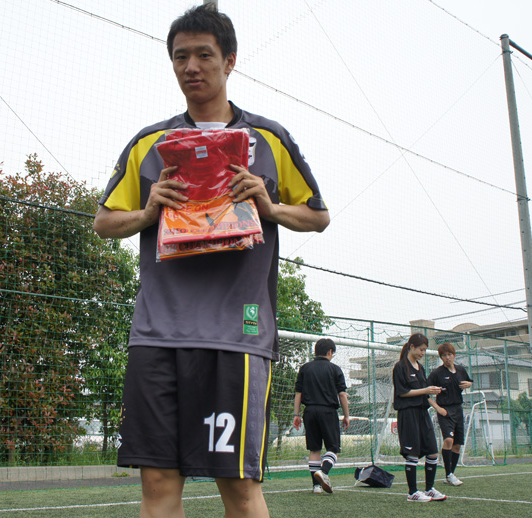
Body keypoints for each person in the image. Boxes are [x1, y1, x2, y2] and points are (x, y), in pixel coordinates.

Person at [93, 4, 329, 517]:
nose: (191, 66)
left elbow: (318, 216)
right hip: (157, 334)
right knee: (158, 484)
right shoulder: (151, 143)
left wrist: (269, 207)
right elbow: (104, 222)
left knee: (239, 487)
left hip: (236, 336)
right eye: (181, 57)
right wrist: (149, 211)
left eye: (204, 55)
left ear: (230, 61)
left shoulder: (268, 139)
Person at [392, 333, 447, 502]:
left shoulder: (421, 368)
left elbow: (425, 393)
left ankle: (429, 489)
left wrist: (434, 398)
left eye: (425, 350)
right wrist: (425, 390)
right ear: (412, 347)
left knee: (433, 451)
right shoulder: (400, 367)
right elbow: (402, 393)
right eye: (421, 350)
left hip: (422, 413)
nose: (423, 353)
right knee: (412, 453)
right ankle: (412, 493)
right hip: (408, 414)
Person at [292, 338, 350, 494]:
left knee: (314, 449)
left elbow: (298, 393)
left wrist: (296, 414)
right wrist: (347, 415)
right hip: (328, 411)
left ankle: (316, 486)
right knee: (334, 448)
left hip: (309, 412)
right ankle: (323, 472)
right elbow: (342, 395)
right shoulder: (335, 369)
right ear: (330, 352)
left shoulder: (305, 368)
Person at [427, 342, 473, 486]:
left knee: (457, 445)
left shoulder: (461, 370)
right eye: (444, 355)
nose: (447, 357)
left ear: (454, 355)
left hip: (458, 410)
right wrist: (438, 408)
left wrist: (469, 384)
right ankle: (448, 474)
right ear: (441, 357)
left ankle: (450, 475)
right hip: (445, 411)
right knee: (448, 440)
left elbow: (469, 381)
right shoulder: (436, 373)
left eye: (449, 354)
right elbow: (425, 394)